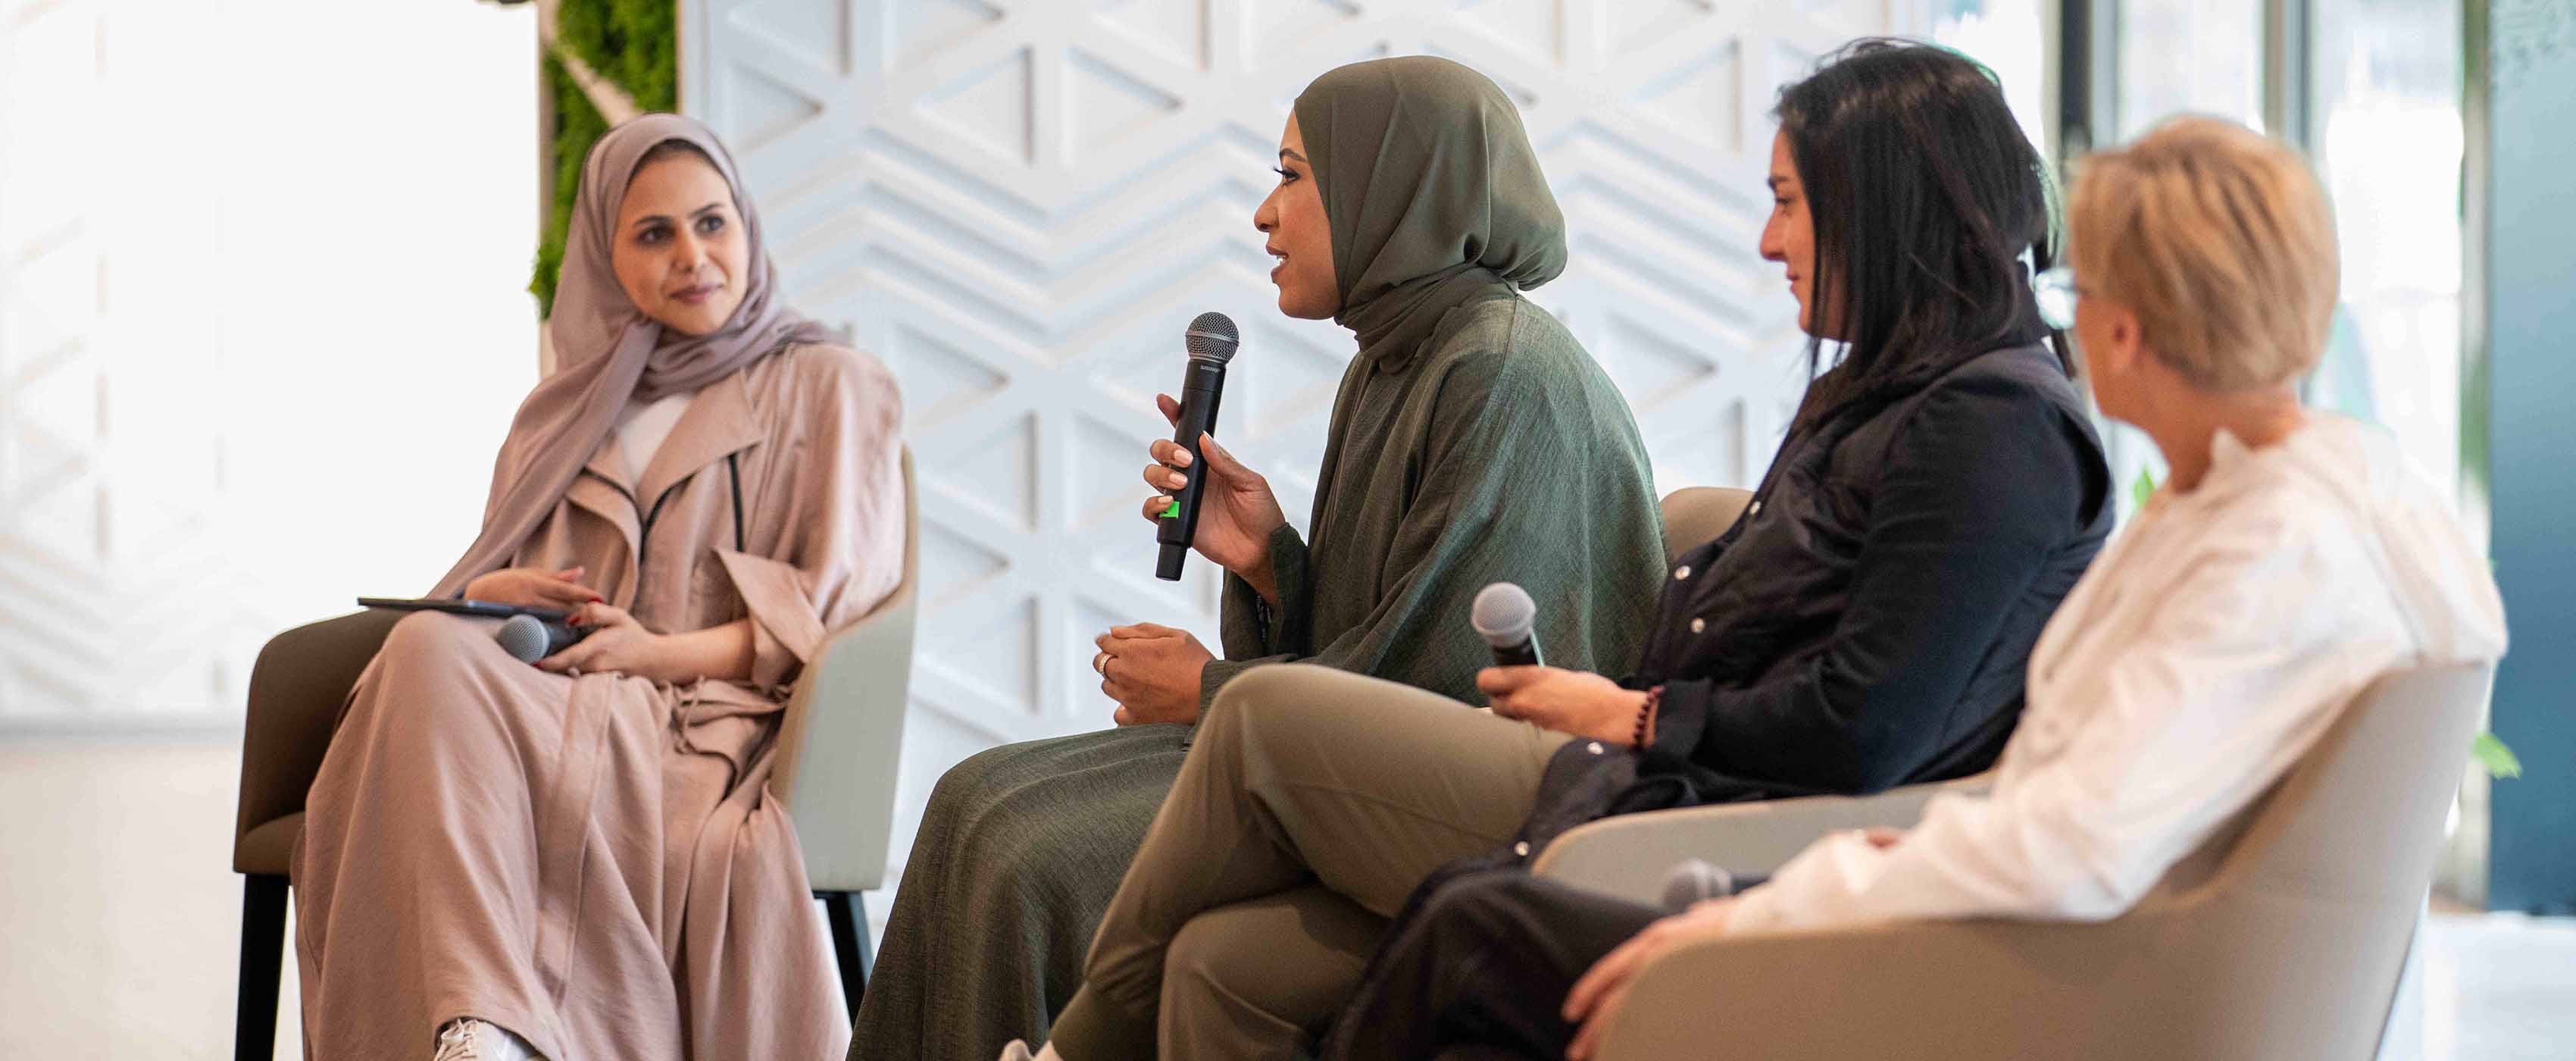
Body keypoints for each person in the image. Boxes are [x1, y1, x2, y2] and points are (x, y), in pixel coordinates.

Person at [1325, 113, 2512, 1061]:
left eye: (2083, 292)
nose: (2065, 314)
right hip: (2008, 927)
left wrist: (1747, 918)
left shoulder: (2263, 555)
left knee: (1474, 936)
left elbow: (2068, 844)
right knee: (1475, 938)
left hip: (2019, 979)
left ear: (2130, 333)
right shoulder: (2320, 497)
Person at [1021, 39, 2115, 1061]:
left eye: (1789, 204)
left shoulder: (1996, 428)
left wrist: (1630, 713)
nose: (1768, 241)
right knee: (1225, 965)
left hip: (1700, 815)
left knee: (1248, 721)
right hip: (1644, 770)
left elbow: (1866, 726)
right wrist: (1271, 567)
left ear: (1886, 209)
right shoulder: (1881, 397)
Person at [849, 56, 1666, 1061]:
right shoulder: (1396, 355)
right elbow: (1389, 638)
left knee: (1032, 860)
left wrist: (1210, 688)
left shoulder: (1502, 372)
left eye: (1292, 176)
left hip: (1497, 816)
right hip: (1342, 768)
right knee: (974, 798)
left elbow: (1456, 693)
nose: (1264, 217)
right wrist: (1273, 564)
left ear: (1388, 185)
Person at [292, 114, 903, 1061]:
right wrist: (499, 584)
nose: (693, 256)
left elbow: (829, 607)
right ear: (605, 253)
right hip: (562, 689)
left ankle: (495, 1024)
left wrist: (655, 651)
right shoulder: (569, 403)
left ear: (747, 227)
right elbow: (497, 579)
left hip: (701, 710)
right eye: (653, 233)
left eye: (713, 223)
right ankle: (480, 1027)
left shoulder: (831, 382)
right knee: (422, 646)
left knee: (438, 707)